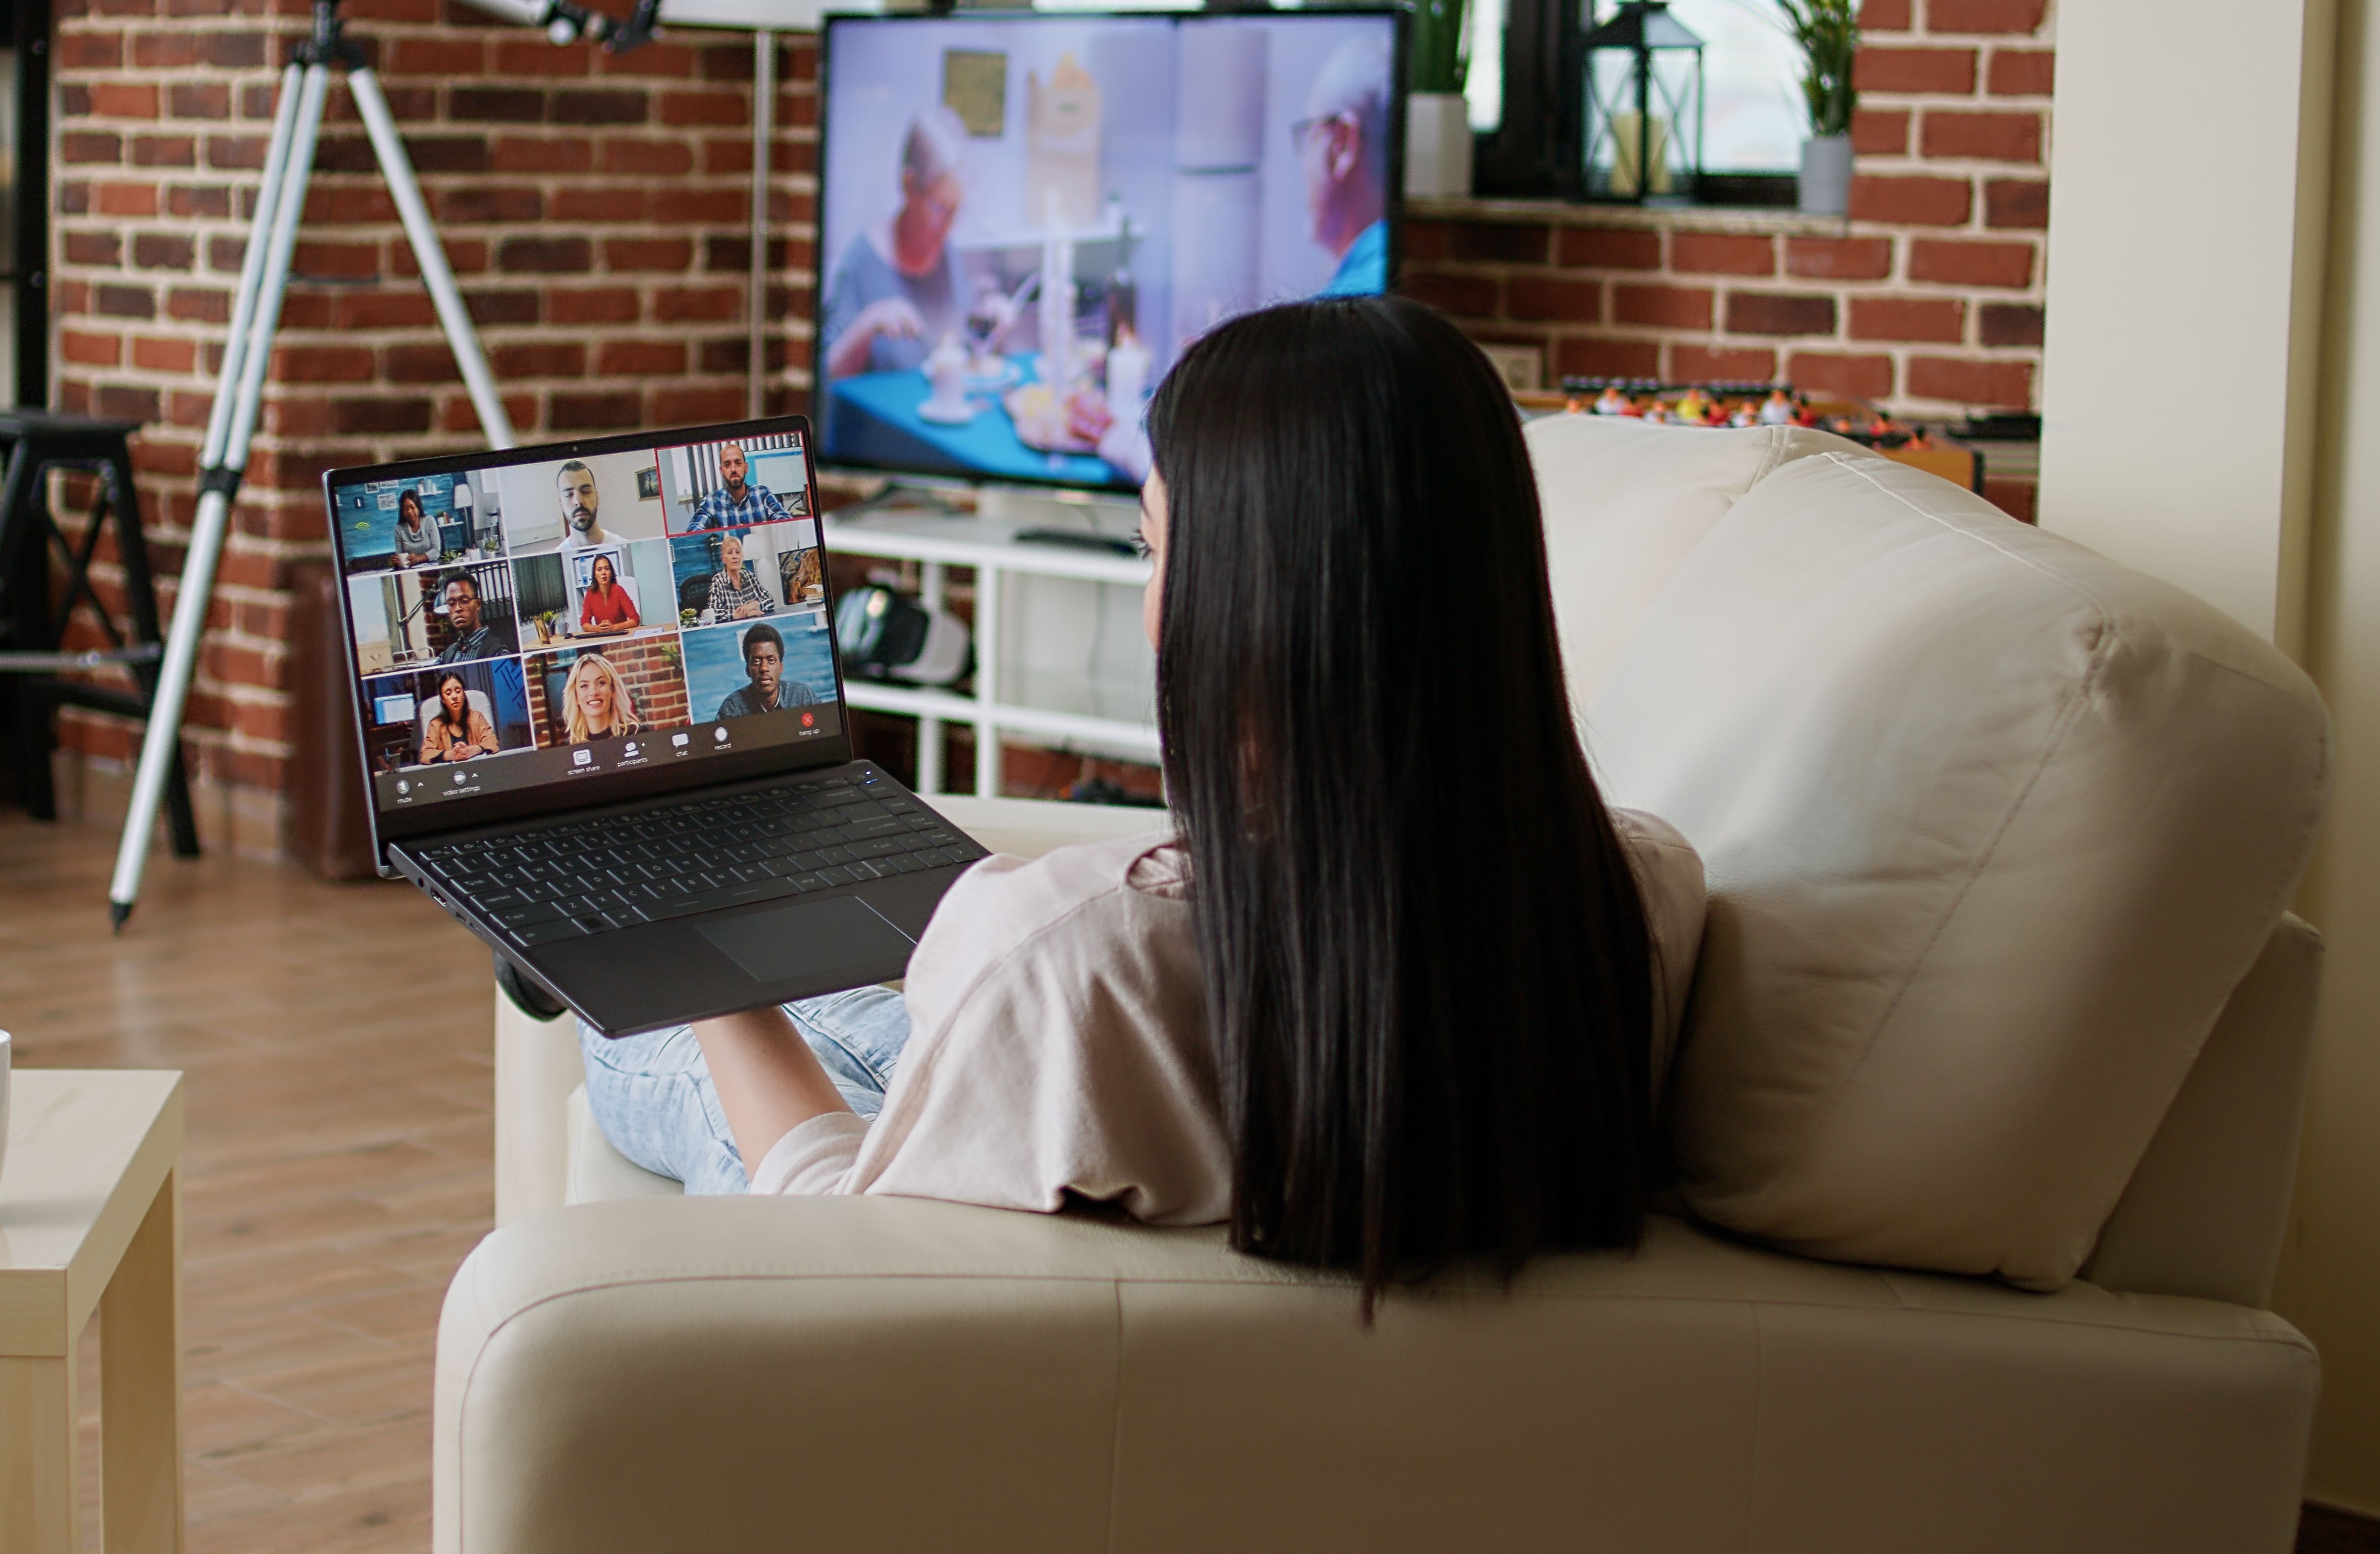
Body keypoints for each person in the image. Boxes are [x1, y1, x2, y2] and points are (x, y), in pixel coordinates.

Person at [581, 297, 1707, 1313]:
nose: (1149, 601)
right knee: (862, 1016)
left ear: (1238, 609)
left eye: (1151, 545)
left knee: (624, 1032)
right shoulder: (1640, 895)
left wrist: (706, 979)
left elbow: (837, 1240)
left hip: (939, 1253)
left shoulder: (1076, 953)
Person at [820, 108, 1017, 380]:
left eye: (956, 211)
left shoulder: (948, 254)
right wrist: (867, 326)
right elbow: (826, 381)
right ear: (908, 184)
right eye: (939, 209)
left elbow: (963, 358)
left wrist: (994, 324)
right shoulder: (861, 263)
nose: (949, 226)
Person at [1293, 39, 1391, 299]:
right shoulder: (1397, 277)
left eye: (1309, 136)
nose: (1303, 162)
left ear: (1342, 145)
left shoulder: (1343, 313)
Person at [710, 621, 817, 719]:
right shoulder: (732, 708)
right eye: (756, 662)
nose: (764, 668)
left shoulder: (802, 697)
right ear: (747, 670)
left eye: (771, 660)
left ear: (781, 667)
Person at [685, 440, 794, 531]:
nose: (733, 469)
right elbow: (693, 531)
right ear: (722, 471)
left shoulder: (763, 494)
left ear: (746, 468)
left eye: (738, 463)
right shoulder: (712, 502)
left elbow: (785, 520)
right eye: (727, 465)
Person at [433, 571, 517, 665]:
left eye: (464, 601)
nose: (458, 609)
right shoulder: (448, 654)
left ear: (478, 604)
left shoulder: (497, 652)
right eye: (451, 604)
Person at [419, 671, 500, 763]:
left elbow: (493, 743)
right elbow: (425, 754)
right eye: (448, 693)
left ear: (464, 695)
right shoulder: (436, 725)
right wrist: (447, 755)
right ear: (443, 700)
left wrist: (473, 750)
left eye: (458, 691)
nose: (454, 697)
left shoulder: (477, 718)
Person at [560, 651, 636, 741]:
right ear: (576, 696)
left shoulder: (637, 735)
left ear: (613, 690)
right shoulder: (570, 747)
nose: (594, 692)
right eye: (584, 686)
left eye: (601, 683)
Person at [700, 533, 776, 623]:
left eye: (738, 552)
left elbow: (770, 600)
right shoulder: (718, 581)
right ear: (723, 559)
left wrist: (755, 605)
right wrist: (740, 614)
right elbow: (712, 613)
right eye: (730, 553)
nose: (735, 556)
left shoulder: (749, 576)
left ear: (742, 556)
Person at [553, 461, 623, 550]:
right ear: (561, 504)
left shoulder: (623, 547)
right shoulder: (560, 558)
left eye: (586, 491)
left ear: (597, 497)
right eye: (569, 495)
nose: (578, 501)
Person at [574, 552, 642, 634]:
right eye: (599, 570)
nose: (604, 573)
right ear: (595, 575)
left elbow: (635, 620)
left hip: (620, 636)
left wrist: (614, 628)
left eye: (607, 569)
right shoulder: (591, 593)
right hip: (602, 638)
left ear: (611, 573)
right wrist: (596, 629)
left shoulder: (619, 590)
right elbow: (585, 623)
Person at [392, 490, 441, 566]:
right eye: (405, 509)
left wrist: (418, 559)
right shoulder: (399, 529)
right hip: (411, 571)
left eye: (412, 507)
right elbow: (400, 555)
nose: (409, 511)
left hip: (432, 568)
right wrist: (397, 561)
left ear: (418, 508)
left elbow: (436, 552)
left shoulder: (429, 521)